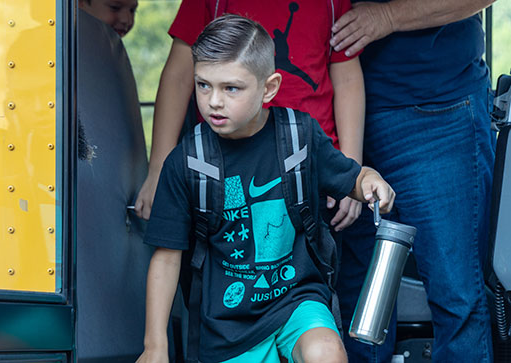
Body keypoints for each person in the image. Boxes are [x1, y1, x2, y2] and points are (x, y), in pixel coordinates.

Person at [136, 14, 395, 363]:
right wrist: (155, 347)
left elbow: (353, 178)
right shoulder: (187, 162)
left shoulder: (299, 137)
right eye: (203, 85)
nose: (213, 101)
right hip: (226, 328)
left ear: (269, 88)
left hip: (297, 300)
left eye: (231, 88)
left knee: (326, 352)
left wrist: (371, 182)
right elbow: (166, 259)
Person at [329, 1, 496, 362]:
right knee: (360, 307)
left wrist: (387, 17)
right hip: (338, 117)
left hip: (437, 109)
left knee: (457, 300)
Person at [134, 0, 366, 235]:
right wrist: (158, 170)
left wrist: (350, 168)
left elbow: (347, 80)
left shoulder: (333, 3)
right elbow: (179, 76)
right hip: (223, 167)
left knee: (313, 261)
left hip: (309, 168)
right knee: (226, 257)